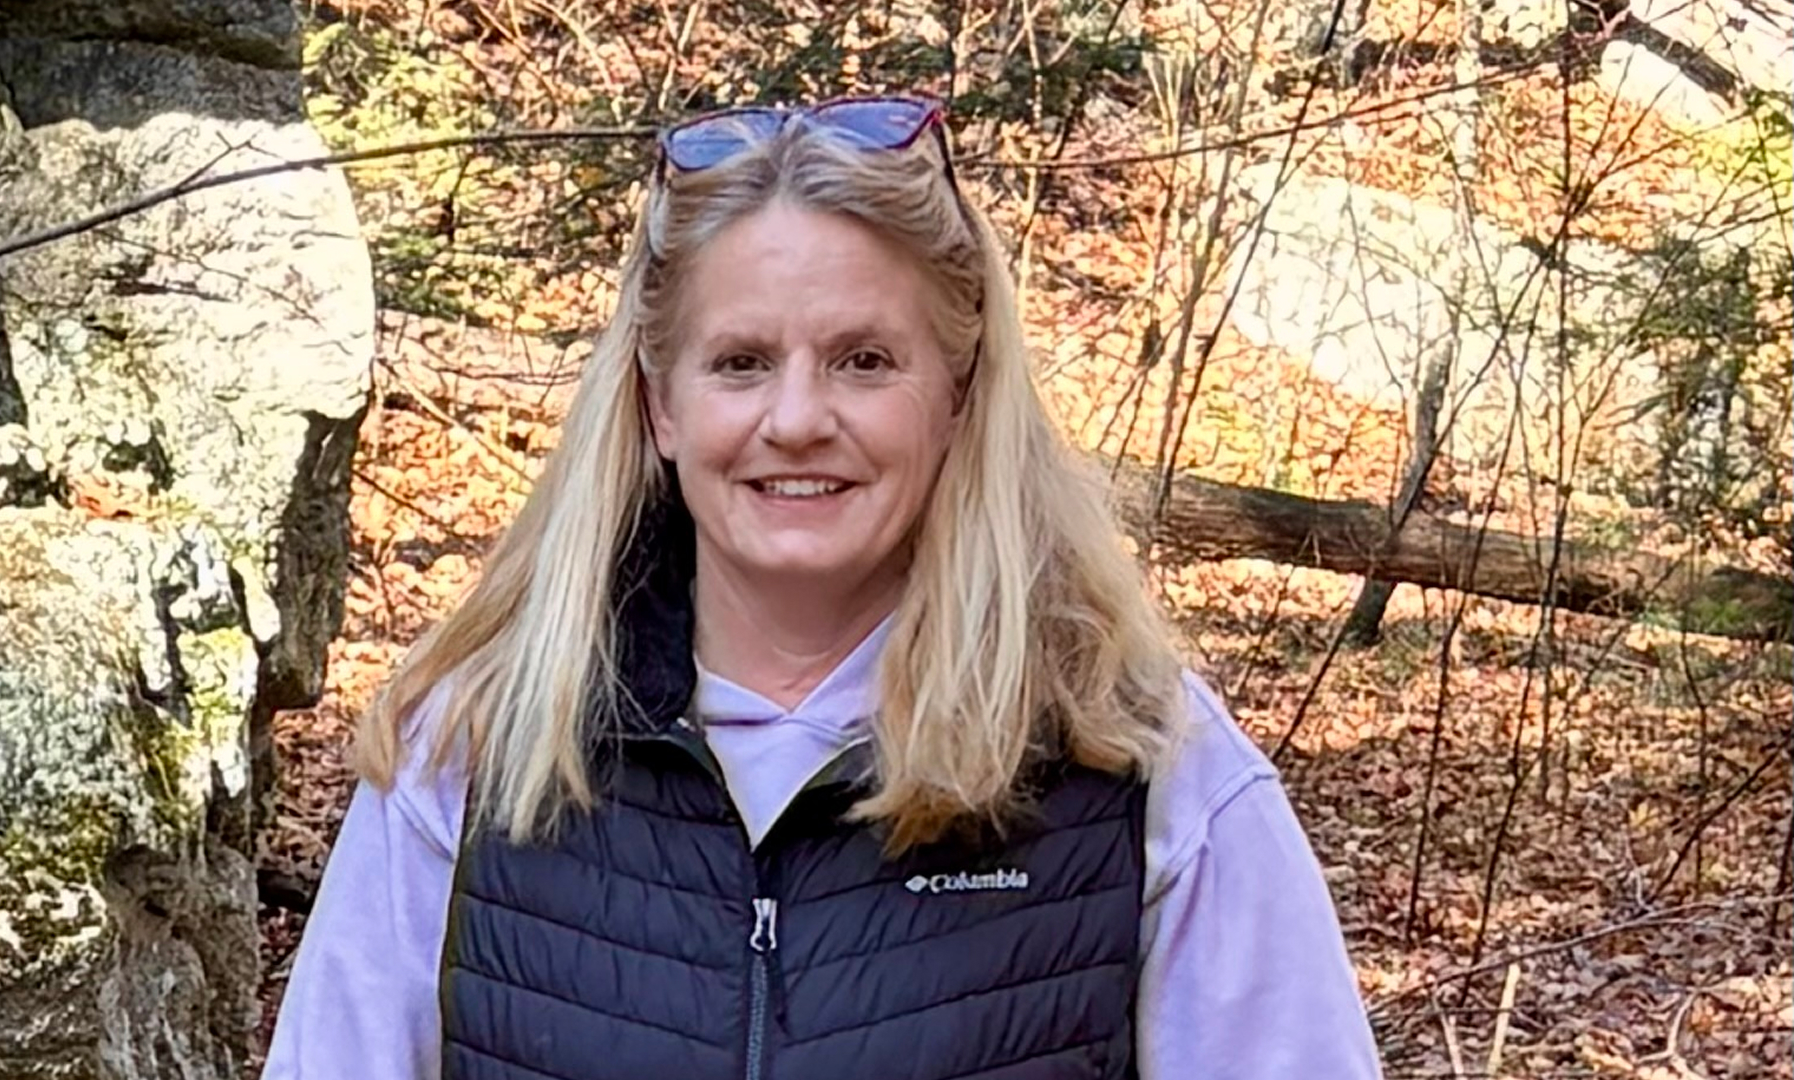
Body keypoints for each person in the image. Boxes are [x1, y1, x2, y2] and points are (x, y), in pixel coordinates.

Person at [264, 95, 1382, 1080]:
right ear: (661, 404)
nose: (797, 419)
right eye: (742, 362)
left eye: (864, 360)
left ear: (958, 391)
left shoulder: (1146, 776)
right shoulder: (469, 762)